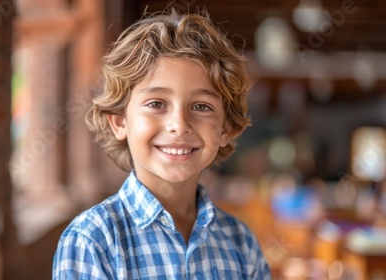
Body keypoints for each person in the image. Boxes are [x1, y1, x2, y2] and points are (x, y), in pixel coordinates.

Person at [52, 9, 271, 279]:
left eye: (201, 106)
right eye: (156, 104)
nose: (179, 124)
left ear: (225, 129)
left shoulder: (241, 243)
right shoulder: (92, 240)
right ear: (120, 122)